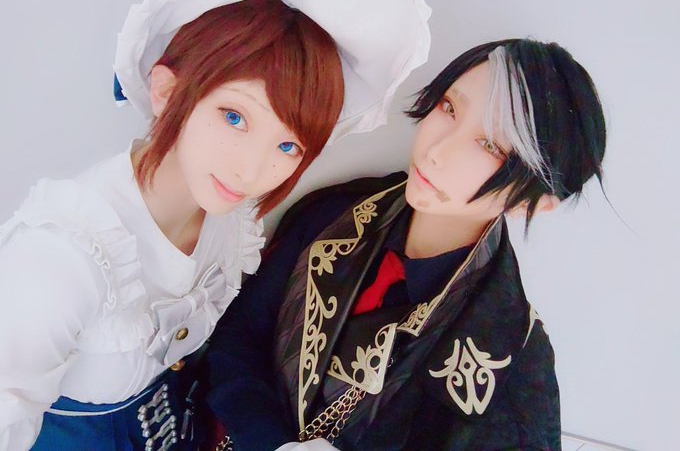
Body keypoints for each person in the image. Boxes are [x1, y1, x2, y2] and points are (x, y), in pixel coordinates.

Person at [0, 0, 431, 449]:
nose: (252, 170)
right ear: (166, 91)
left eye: (288, 145)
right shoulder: (60, 259)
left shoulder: (229, 219)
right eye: (234, 117)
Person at [206, 38, 607, 451]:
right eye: (449, 108)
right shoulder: (336, 214)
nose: (437, 151)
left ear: (534, 203)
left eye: (491, 146)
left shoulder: (512, 360)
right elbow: (237, 337)